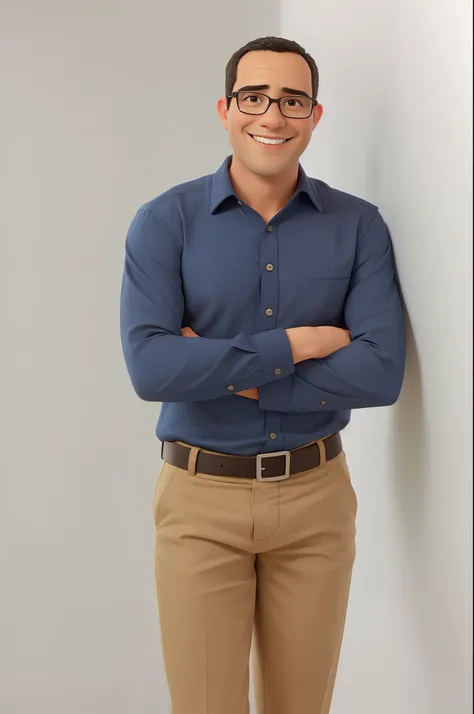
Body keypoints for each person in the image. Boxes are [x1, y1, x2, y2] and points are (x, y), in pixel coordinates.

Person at [119, 35, 406, 714]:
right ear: (225, 108)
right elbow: (152, 366)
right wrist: (297, 344)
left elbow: (379, 374)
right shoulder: (166, 223)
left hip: (317, 500)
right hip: (199, 502)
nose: (271, 116)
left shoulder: (359, 227)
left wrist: (221, 367)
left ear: (314, 115)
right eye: (254, 97)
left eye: (291, 100)